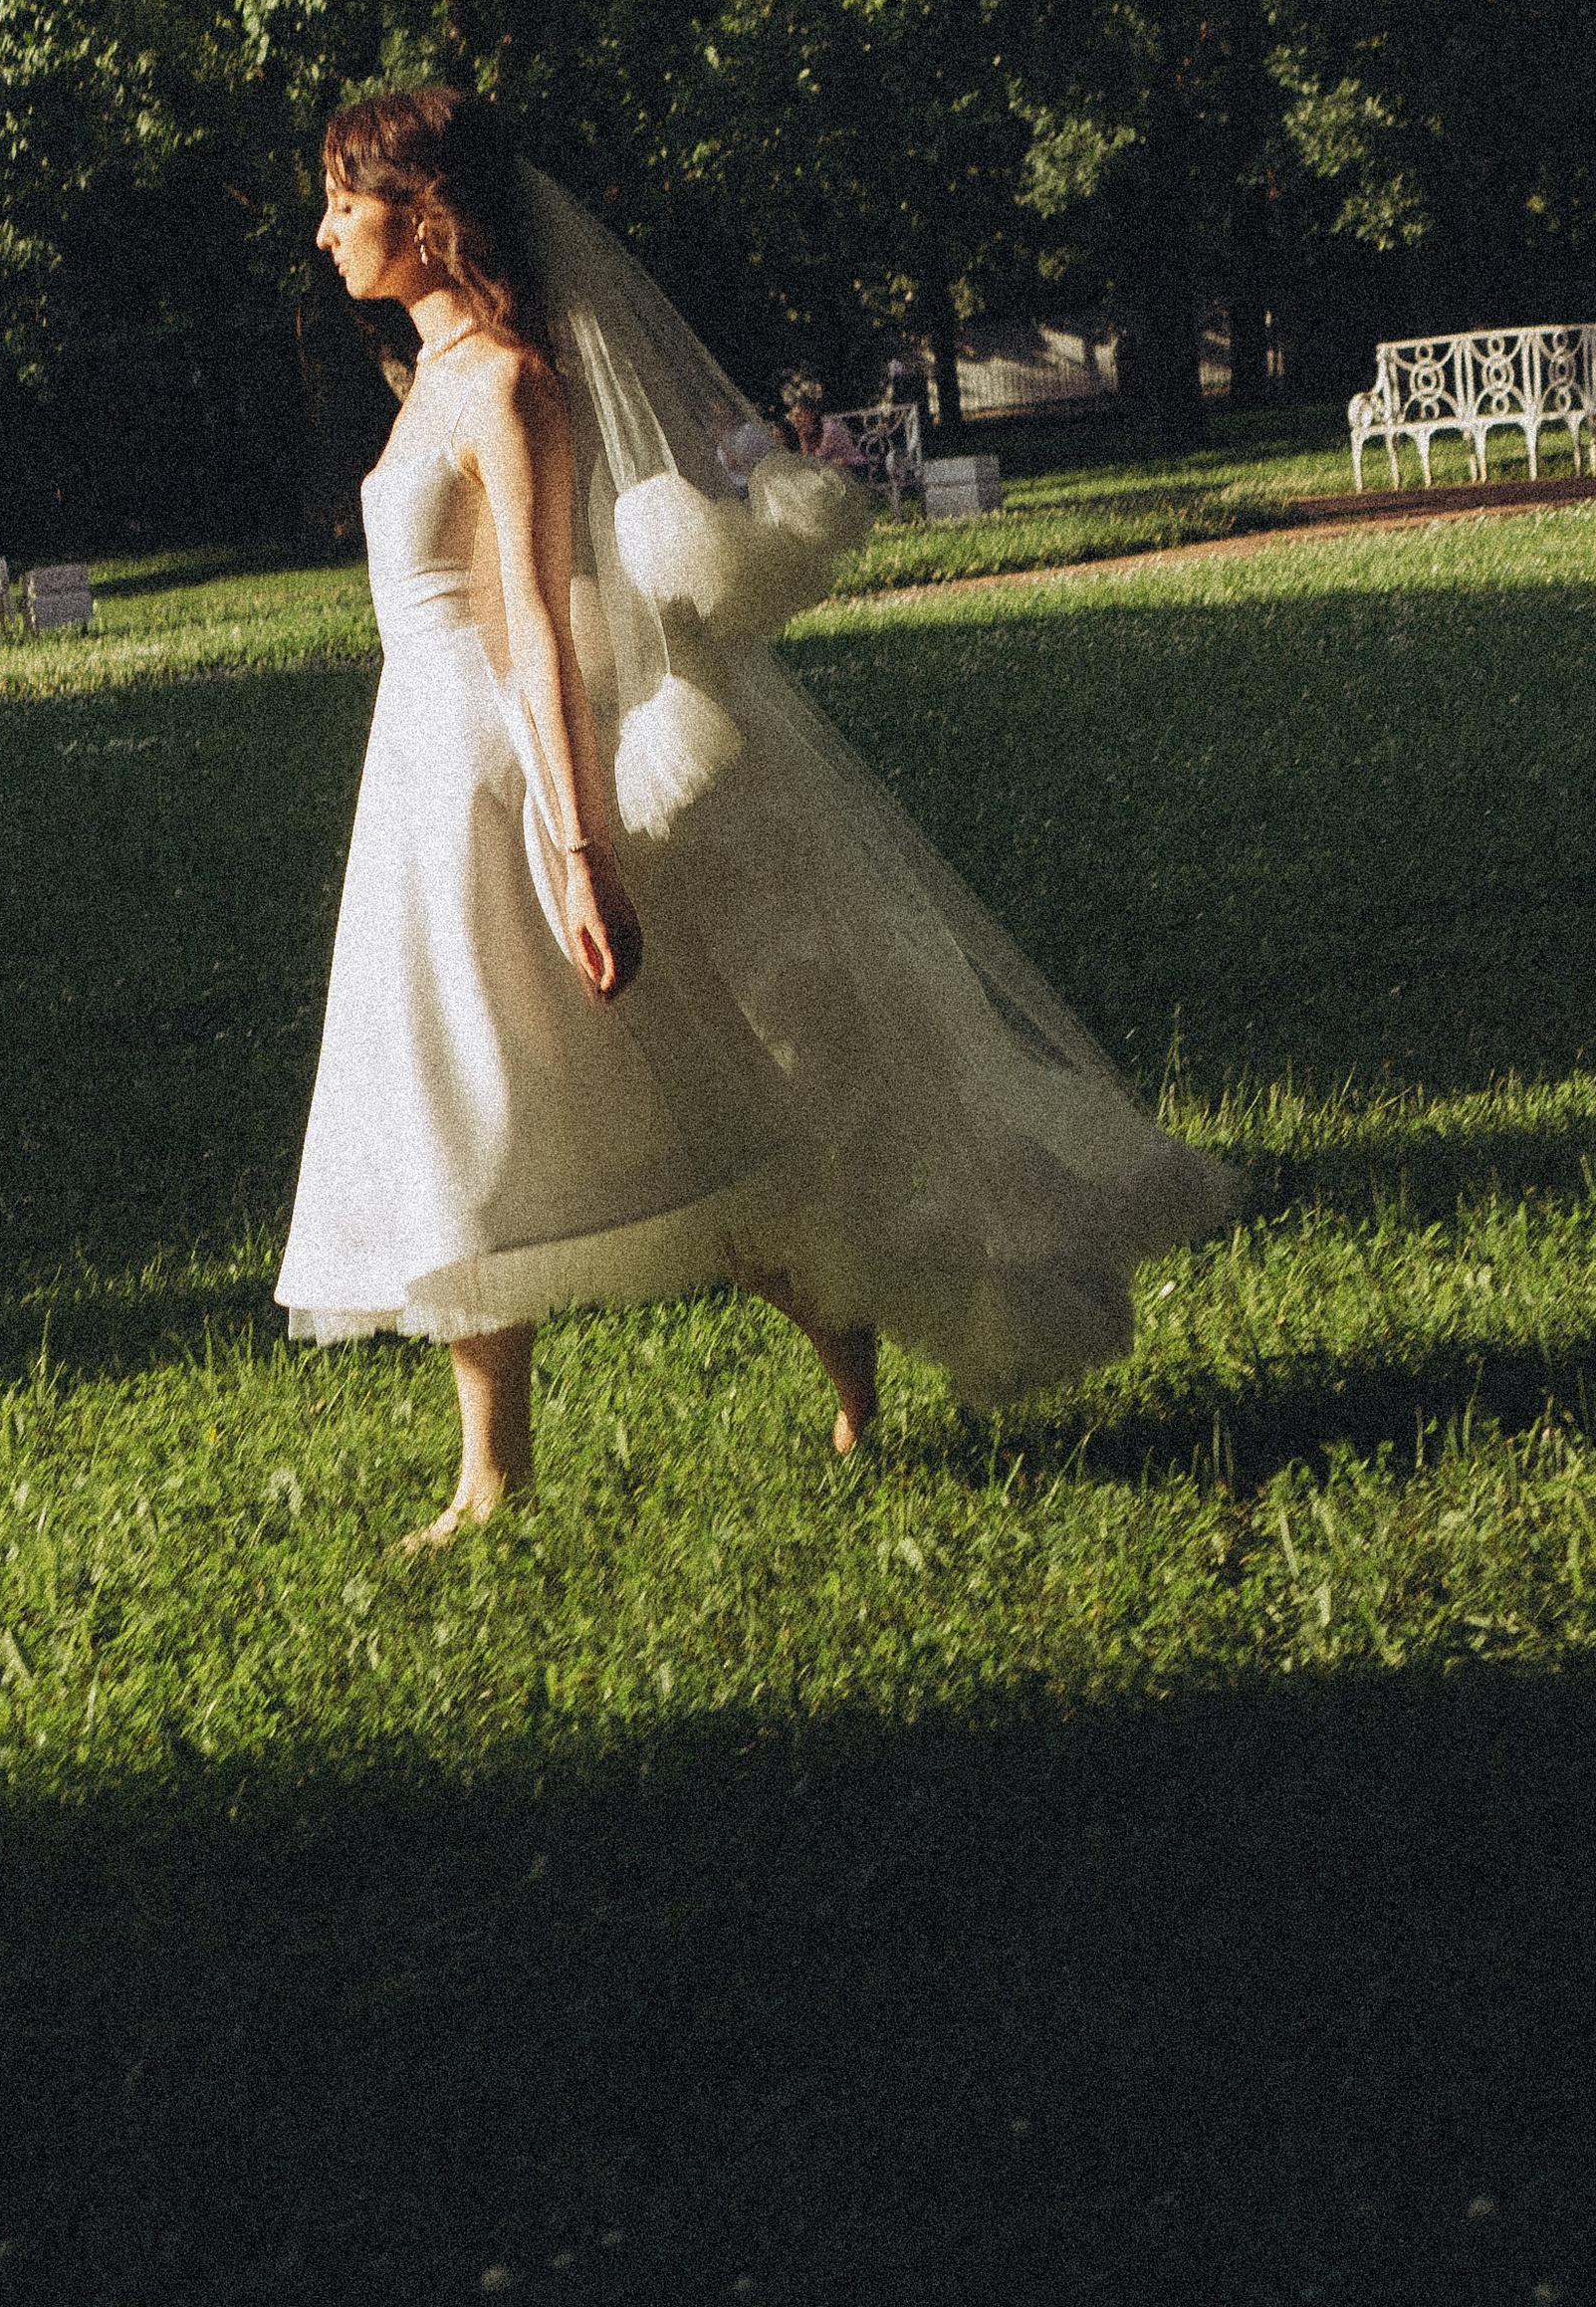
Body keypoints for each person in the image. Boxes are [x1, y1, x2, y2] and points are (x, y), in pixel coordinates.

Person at [276, 86, 1235, 1545]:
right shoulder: (426, 387)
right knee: (459, 1112)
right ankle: (491, 1475)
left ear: (427, 213)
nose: (327, 228)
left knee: (669, 1104)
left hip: (498, 779)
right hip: (413, 783)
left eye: (350, 199)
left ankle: (840, 1317)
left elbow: (540, 622)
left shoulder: (512, 386)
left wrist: (577, 840)